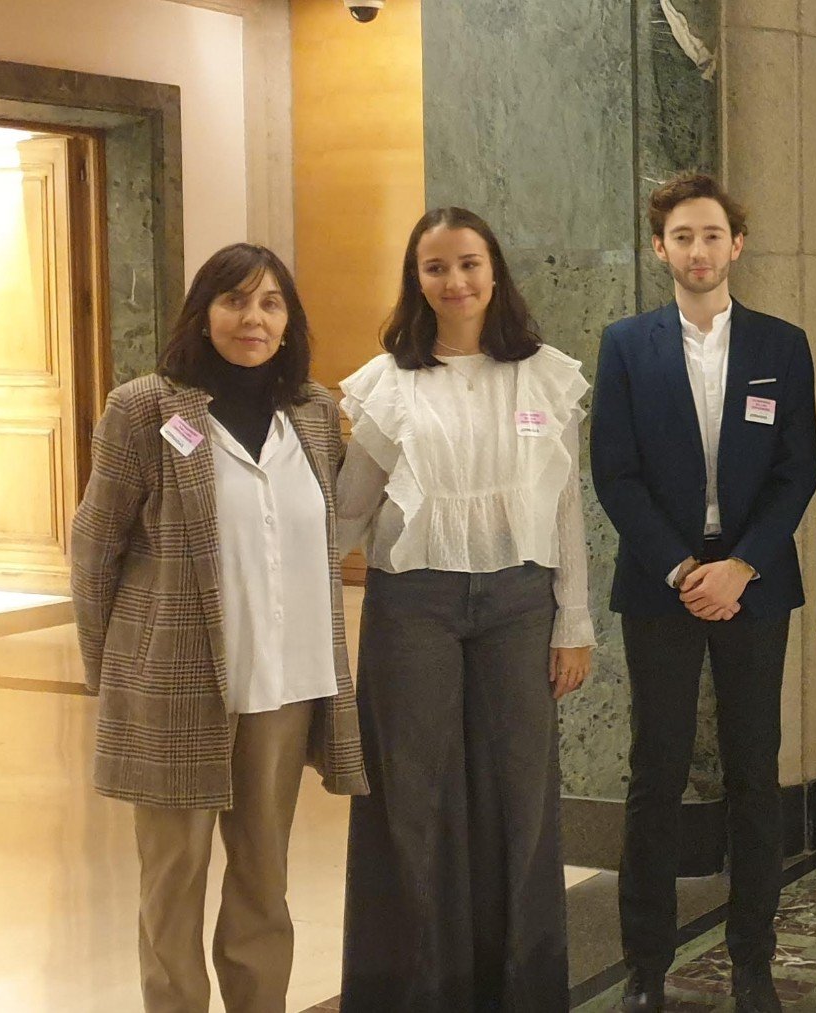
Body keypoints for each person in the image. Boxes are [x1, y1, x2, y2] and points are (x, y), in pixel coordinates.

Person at [70, 243, 367, 1012]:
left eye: (271, 303)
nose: (254, 318)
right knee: (174, 879)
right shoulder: (147, 408)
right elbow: (95, 545)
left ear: (288, 320)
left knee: (264, 874)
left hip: (282, 681)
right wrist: (111, 672)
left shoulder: (312, 413)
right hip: (175, 684)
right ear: (204, 313)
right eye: (236, 301)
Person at [336, 207, 596, 1011]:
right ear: (416, 280)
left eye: (469, 264)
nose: (455, 282)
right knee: (410, 801)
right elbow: (347, 512)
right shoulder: (388, 383)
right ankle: (416, 990)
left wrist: (572, 621)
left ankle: (520, 989)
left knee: (523, 797)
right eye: (436, 267)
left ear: (495, 271)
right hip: (413, 603)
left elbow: (562, 510)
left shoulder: (545, 374)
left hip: (520, 602)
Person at [590, 172, 816, 1013]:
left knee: (756, 771)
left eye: (711, 235)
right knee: (657, 771)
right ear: (661, 248)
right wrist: (685, 570)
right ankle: (644, 967)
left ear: (737, 244)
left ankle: (751, 959)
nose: (697, 250)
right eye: (681, 236)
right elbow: (612, 473)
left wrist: (742, 566)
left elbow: (799, 468)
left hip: (754, 584)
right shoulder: (625, 345)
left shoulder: (781, 345)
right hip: (663, 587)